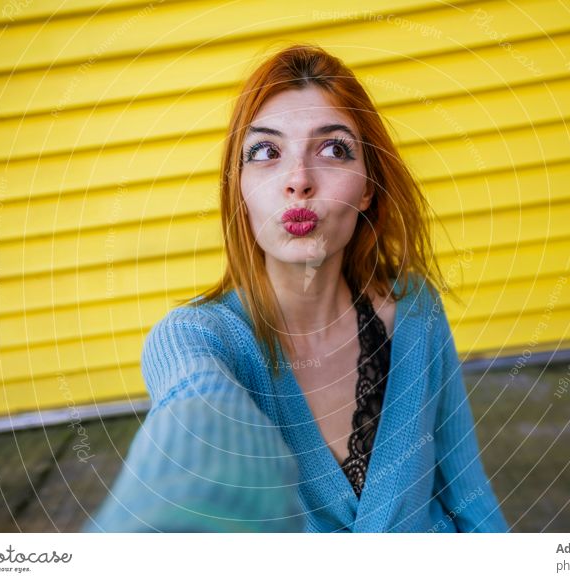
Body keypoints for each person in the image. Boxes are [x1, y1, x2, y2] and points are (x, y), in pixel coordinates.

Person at [82, 43, 508, 533]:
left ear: (368, 185)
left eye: (332, 149)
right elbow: (195, 423)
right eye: (266, 152)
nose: (298, 181)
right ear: (238, 188)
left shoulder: (416, 309)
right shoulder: (194, 337)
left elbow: (469, 498)